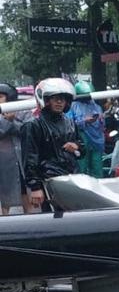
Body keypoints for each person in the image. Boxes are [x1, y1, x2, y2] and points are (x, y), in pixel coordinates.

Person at [21, 78, 82, 211]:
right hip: (48, 182)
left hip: (71, 178)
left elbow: (82, 147)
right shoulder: (33, 125)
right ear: (46, 100)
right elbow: (29, 158)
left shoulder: (70, 123)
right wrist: (35, 187)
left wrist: (77, 147)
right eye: (55, 98)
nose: (60, 102)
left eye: (63, 99)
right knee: (53, 222)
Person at [0, 82, 33, 215]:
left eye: (1, 96)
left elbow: (28, 130)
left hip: (20, 159)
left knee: (25, 192)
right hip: (3, 161)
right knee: (4, 196)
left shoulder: (23, 109)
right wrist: (7, 121)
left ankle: (31, 224)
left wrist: (13, 120)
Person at [69, 80, 105, 178]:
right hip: (82, 139)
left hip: (97, 140)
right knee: (82, 166)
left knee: (97, 166)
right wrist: (84, 121)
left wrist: (101, 119)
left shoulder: (96, 106)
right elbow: (69, 124)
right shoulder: (73, 107)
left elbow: (102, 126)